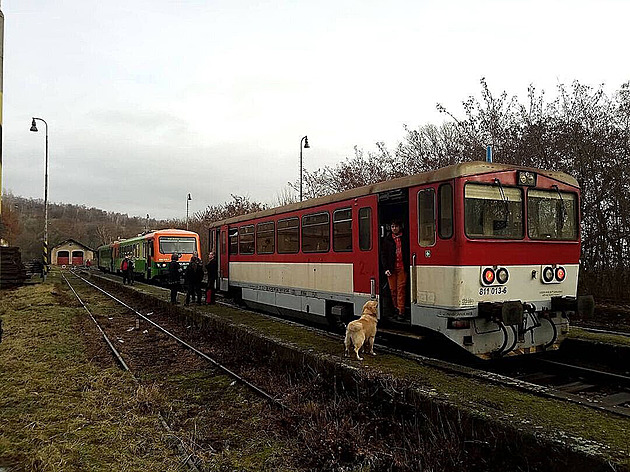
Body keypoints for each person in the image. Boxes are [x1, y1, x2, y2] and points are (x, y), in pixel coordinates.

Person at [380, 220, 409, 321]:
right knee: (393, 290)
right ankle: (396, 309)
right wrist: (386, 268)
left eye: (396, 226)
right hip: (391, 268)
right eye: (392, 226)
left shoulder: (405, 238)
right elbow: (383, 255)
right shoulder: (387, 240)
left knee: (401, 289)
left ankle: (401, 311)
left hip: (402, 267)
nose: (394, 228)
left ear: (400, 227)